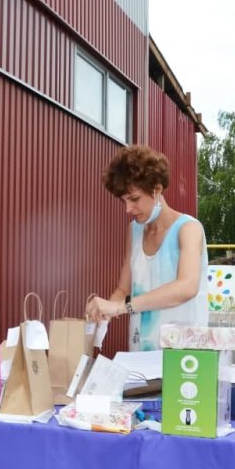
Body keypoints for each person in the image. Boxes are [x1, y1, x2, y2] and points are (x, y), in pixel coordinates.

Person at [85, 145, 209, 351]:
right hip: (141, 352)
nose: (128, 209)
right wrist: (104, 309)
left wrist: (120, 307)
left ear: (156, 189)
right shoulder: (134, 231)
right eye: (124, 201)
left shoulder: (189, 229)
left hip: (184, 356)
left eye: (134, 199)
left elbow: (187, 287)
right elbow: (124, 289)